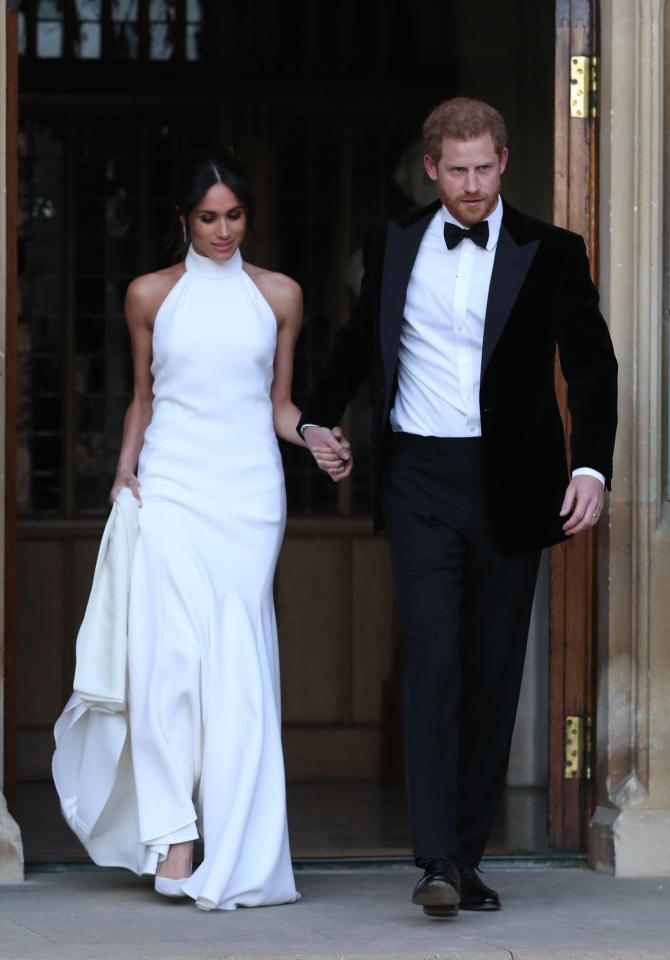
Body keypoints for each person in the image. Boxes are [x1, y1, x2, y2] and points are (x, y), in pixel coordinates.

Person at [299, 97, 617, 918]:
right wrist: (314, 417)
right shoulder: (395, 240)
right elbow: (357, 345)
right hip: (420, 481)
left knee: (491, 672)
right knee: (434, 661)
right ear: (432, 168)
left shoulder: (553, 252)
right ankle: (435, 859)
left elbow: (592, 368)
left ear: (503, 162)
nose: (472, 185)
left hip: (513, 483)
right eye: (457, 170)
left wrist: (590, 467)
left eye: (485, 168)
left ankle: (465, 858)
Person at [53, 151, 330, 911]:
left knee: (236, 672)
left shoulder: (279, 295)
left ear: (249, 217)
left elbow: (278, 403)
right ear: (183, 220)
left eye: (234, 216)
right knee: (169, 663)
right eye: (208, 217)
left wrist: (313, 435)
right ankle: (176, 836)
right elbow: (143, 396)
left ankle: (238, 843)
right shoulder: (149, 293)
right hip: (171, 487)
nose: (222, 230)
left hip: (249, 498)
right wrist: (123, 473)